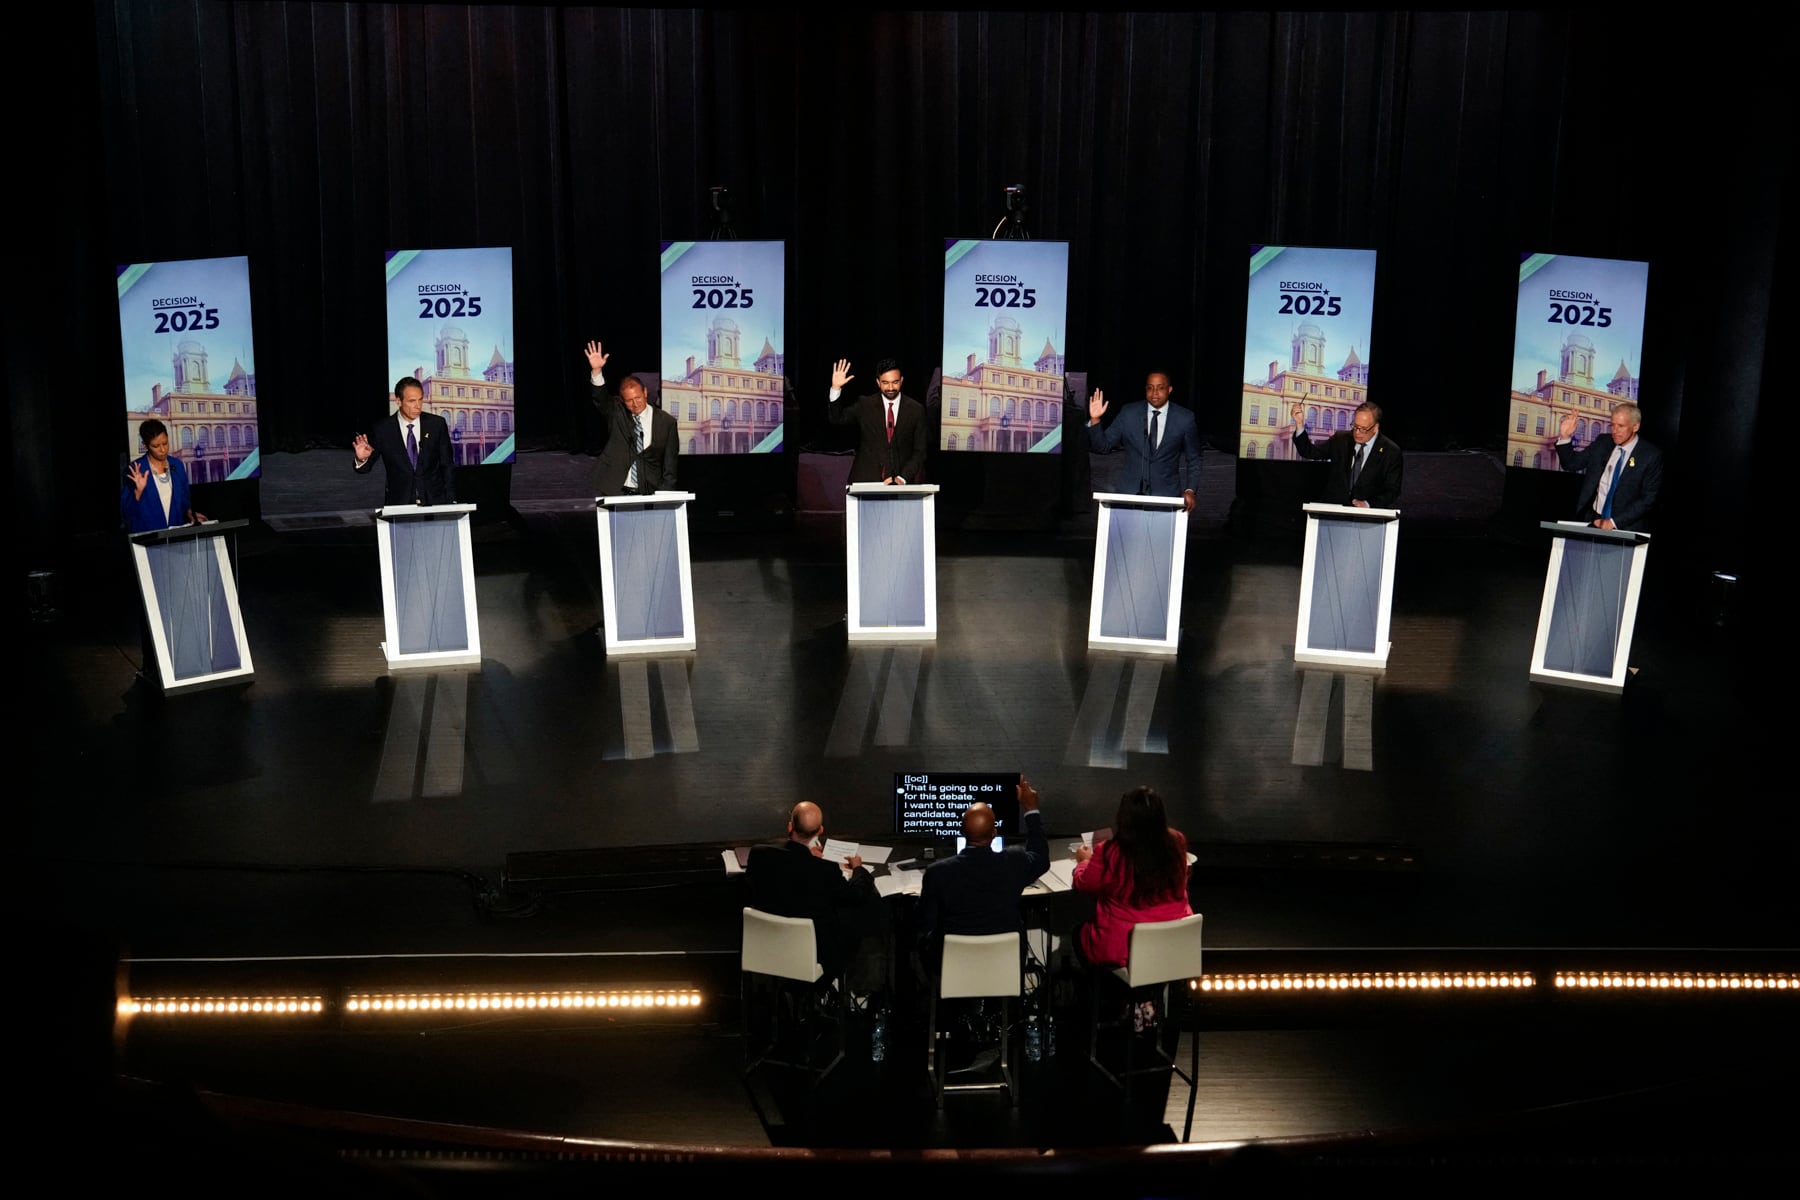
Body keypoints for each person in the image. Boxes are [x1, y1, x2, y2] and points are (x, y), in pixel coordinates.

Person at [746, 801, 885, 993]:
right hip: (815, 957)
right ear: (820, 830)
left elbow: (787, 868)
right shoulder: (824, 870)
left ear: (789, 826)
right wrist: (859, 868)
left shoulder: (758, 854)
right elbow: (856, 894)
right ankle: (856, 993)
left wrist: (807, 857)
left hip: (765, 948)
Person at [915, 777, 1050, 969]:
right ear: (994, 833)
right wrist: (1031, 809)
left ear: (961, 831)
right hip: (1005, 961)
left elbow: (924, 922)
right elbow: (1040, 857)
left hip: (953, 963)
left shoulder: (937, 872)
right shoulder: (1014, 862)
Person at [1070, 786, 1192, 969]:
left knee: (1078, 934)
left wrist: (1083, 862)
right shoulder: (1177, 842)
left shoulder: (1110, 851)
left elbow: (1084, 884)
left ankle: (1105, 996)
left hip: (1123, 949)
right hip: (1173, 941)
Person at [1086, 373, 1203, 511]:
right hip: (1129, 496)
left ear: (1169, 389)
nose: (1155, 393)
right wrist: (1095, 420)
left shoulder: (1185, 418)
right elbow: (1103, 446)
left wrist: (1190, 490)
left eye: (1160, 388)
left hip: (1166, 496)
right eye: (1150, 388)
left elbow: (1194, 458)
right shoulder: (1128, 413)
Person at [585, 340, 678, 496]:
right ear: (622, 400)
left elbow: (670, 465)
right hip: (615, 488)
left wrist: (666, 495)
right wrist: (596, 371)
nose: (635, 404)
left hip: (649, 489)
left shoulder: (666, 422)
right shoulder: (617, 411)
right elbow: (601, 399)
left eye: (638, 398)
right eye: (629, 400)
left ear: (645, 393)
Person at [1555, 403, 1661, 533]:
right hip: (1593, 520)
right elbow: (1571, 464)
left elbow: (1648, 499)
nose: (1615, 431)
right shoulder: (1602, 443)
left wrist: (1613, 523)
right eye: (1613, 425)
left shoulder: (1650, 455)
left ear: (1635, 426)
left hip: (1625, 527)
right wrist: (1565, 436)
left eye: (1621, 426)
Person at [352, 377, 457, 505]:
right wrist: (361, 459)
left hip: (435, 502)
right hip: (400, 503)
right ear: (398, 401)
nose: (418, 406)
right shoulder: (383, 429)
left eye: (420, 400)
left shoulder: (436, 424)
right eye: (412, 401)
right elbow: (365, 468)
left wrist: (451, 500)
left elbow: (447, 465)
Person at [827, 357, 928, 485]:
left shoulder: (916, 410)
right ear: (878, 382)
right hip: (865, 481)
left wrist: (903, 478)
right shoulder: (865, 405)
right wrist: (835, 388)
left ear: (901, 380)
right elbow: (837, 419)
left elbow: (920, 452)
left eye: (895, 382)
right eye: (885, 382)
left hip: (899, 484)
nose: (890, 387)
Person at [1290, 400, 1403, 509]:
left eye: (1363, 429)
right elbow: (1309, 452)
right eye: (1355, 426)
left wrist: (1368, 504)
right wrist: (1299, 424)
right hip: (1333, 514)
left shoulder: (1391, 451)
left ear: (1375, 428)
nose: (1357, 432)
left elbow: (1392, 490)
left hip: (1367, 521)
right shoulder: (1340, 440)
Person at [121, 419, 203, 532]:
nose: (163, 450)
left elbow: (185, 499)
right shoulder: (134, 470)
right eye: (156, 446)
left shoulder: (177, 465)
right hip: (149, 538)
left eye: (165, 443)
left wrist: (189, 513)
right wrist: (138, 493)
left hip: (177, 536)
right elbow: (126, 514)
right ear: (145, 445)